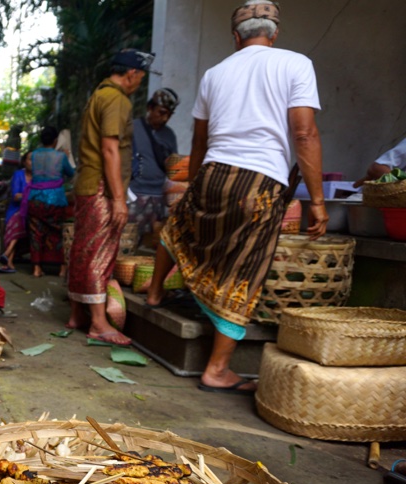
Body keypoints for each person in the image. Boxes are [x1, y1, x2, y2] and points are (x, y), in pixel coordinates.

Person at [145, 0, 327, 395]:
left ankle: (155, 291)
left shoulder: (215, 73)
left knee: (179, 227)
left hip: (212, 172)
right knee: (243, 268)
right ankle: (216, 369)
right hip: (260, 183)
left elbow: (199, 139)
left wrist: (195, 188)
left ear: (235, 37)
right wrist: (317, 200)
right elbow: (304, 133)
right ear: (274, 34)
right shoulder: (296, 64)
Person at [66, 48, 155, 345]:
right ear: (132, 73)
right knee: (100, 253)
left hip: (88, 183)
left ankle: (77, 314)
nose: (139, 82)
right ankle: (99, 323)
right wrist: (118, 198)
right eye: (140, 77)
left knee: (83, 248)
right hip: (101, 187)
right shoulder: (116, 99)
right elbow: (110, 149)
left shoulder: (98, 95)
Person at [129, 88, 180, 243]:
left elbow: (174, 168)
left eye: (169, 115)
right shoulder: (132, 128)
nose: (165, 118)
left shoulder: (169, 135)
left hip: (158, 199)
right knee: (127, 241)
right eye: (161, 113)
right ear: (150, 108)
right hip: (133, 196)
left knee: (151, 244)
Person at [27, 126, 76, 278]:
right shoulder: (60, 156)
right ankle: (62, 268)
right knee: (57, 232)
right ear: (55, 141)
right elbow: (71, 173)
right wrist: (66, 156)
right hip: (55, 200)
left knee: (36, 233)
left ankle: (36, 268)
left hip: (35, 199)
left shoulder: (34, 155)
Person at [0, 151, 32, 274]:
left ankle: (7, 257)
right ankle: (8, 260)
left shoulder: (39, 177)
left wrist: (25, 196)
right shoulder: (18, 175)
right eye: (30, 159)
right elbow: (15, 196)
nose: (33, 162)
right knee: (17, 219)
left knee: (20, 219)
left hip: (31, 211)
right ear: (24, 161)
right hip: (16, 209)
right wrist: (31, 196)